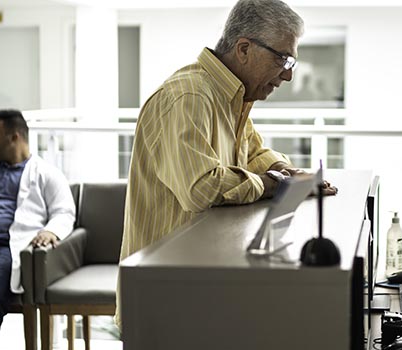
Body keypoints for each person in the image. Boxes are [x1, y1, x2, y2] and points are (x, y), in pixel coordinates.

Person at [116, 0, 336, 326]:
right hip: (165, 297)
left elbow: (254, 155)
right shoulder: (190, 97)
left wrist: (288, 172)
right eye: (283, 59)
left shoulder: (230, 96)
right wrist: (276, 184)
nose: (289, 75)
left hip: (200, 282)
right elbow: (201, 188)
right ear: (244, 49)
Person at [0, 109, 76, 350]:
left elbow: (64, 212)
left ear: (15, 137)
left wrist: (51, 231)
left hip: (1, 250)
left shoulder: (47, 174)